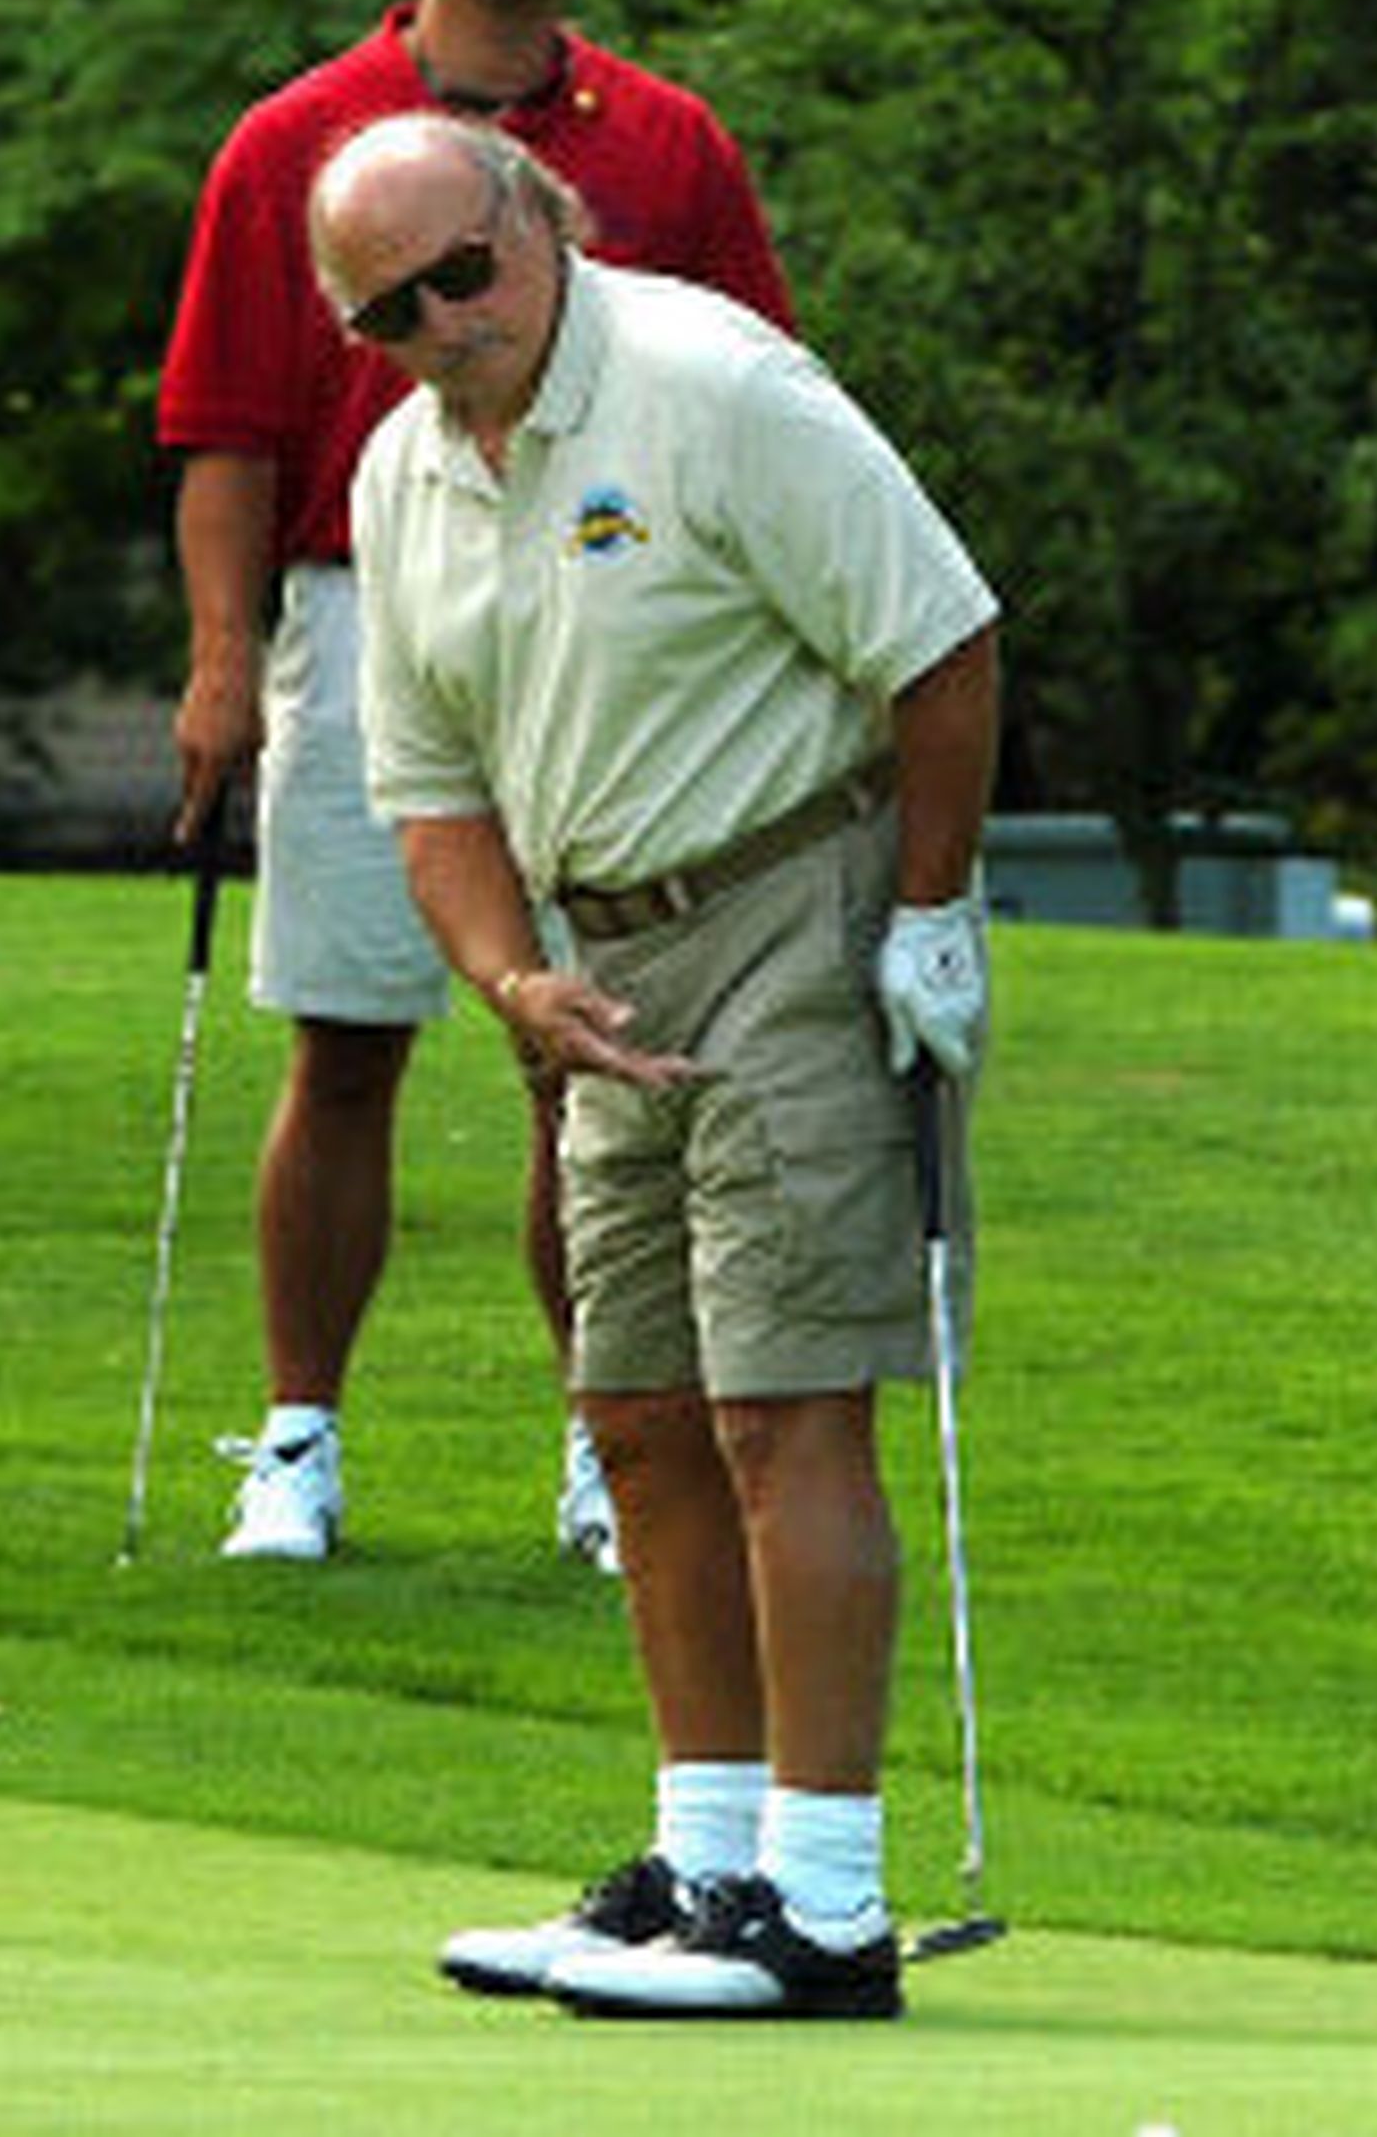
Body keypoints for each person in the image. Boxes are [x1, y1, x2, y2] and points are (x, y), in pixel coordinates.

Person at [316, 113, 997, 2019]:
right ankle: (706, 1866)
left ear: (540, 217)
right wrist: (509, 981)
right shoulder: (398, 473)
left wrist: (927, 918)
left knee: (786, 1407)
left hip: (801, 894)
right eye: (393, 309)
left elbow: (943, 652)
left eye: (468, 268)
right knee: (640, 1414)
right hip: (600, 963)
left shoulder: (712, 384)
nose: (447, 321)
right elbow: (430, 785)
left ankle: (831, 1904)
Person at [159, 0, 792, 1564]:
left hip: (620, 644)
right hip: (371, 615)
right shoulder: (298, 141)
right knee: (347, 1044)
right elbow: (222, 436)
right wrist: (219, 664)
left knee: (576, 1057)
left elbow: (763, 405)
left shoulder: (669, 143)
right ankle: (297, 1439)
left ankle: (607, 1443)